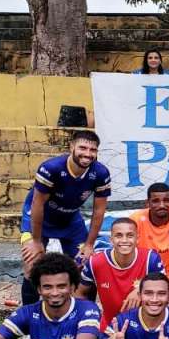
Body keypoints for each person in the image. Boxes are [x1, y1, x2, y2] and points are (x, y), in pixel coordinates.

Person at [19, 130, 110, 305]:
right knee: (33, 265)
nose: (88, 154)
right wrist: (37, 242)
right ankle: (28, 322)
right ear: (71, 147)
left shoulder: (100, 173)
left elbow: (99, 211)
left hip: (70, 219)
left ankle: (84, 317)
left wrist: (90, 245)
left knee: (84, 265)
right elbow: (37, 205)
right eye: (83, 148)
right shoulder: (51, 168)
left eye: (93, 150)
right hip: (38, 220)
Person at [76, 217, 166, 329]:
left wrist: (140, 289)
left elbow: (166, 289)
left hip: (144, 328)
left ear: (137, 238)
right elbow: (80, 293)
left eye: (130, 235)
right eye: (119, 235)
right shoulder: (95, 262)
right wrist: (90, 315)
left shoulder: (151, 258)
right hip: (110, 327)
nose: (124, 240)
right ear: (111, 239)